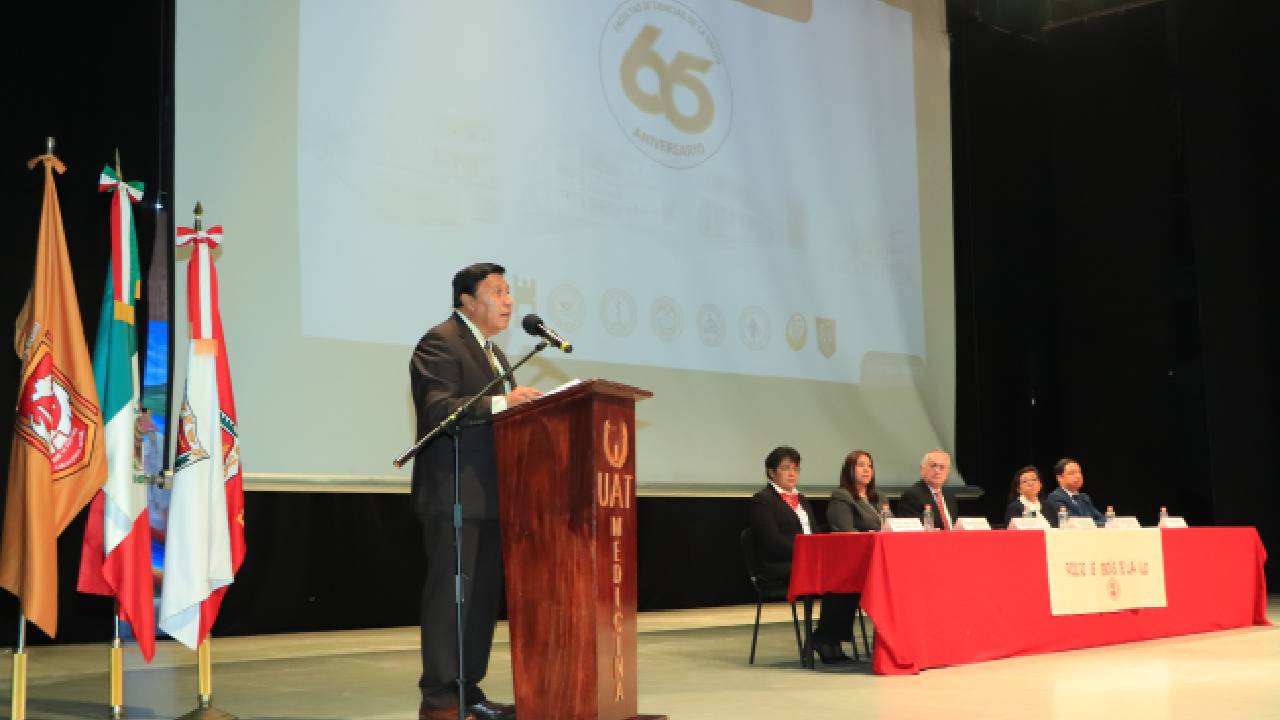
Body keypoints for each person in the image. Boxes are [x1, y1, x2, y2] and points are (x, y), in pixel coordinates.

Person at [410, 262, 542, 720]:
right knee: (452, 597)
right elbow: (438, 409)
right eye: (498, 292)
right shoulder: (440, 342)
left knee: (482, 599)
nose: (509, 301)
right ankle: (441, 699)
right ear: (467, 299)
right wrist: (505, 400)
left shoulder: (495, 354)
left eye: (509, 293)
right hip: (455, 496)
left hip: (492, 497)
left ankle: (469, 691)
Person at [747, 446, 857, 664]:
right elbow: (772, 542)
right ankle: (824, 640)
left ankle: (828, 639)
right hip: (779, 564)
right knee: (835, 577)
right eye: (786, 468)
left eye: (796, 469)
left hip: (809, 562)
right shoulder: (762, 501)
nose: (792, 474)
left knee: (849, 576)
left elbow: (814, 533)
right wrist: (808, 553)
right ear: (771, 472)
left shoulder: (802, 500)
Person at [896, 449, 960, 530]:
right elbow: (910, 531)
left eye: (942, 467)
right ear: (922, 470)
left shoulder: (949, 496)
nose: (937, 471)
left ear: (947, 473)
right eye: (933, 466)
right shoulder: (912, 495)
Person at [827, 450, 882, 532]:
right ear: (850, 470)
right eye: (861, 465)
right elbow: (846, 531)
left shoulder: (880, 496)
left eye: (869, 466)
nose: (866, 469)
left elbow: (893, 525)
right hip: (861, 543)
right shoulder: (842, 495)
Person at [1042, 457, 1105, 526]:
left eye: (1079, 472)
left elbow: (1101, 518)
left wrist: (1094, 524)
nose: (1078, 476)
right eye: (1072, 473)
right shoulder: (1055, 497)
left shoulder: (1083, 497)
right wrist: (1093, 524)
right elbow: (1073, 522)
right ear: (1059, 478)